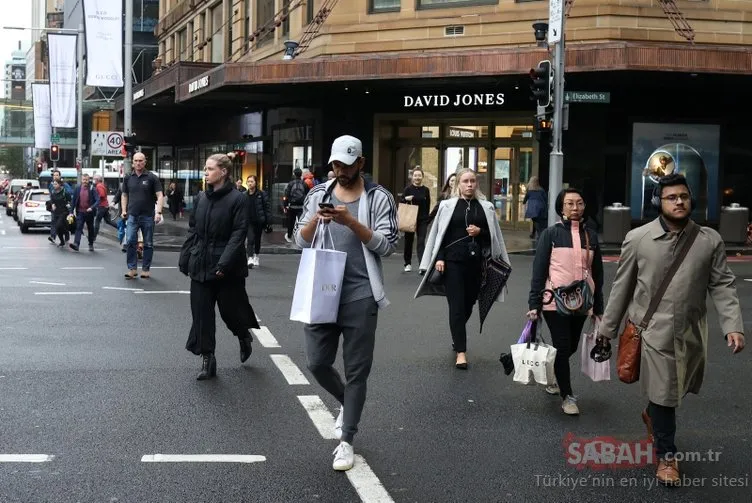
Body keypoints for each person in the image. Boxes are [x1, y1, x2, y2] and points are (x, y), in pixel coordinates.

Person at [598, 174, 744, 485]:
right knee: (666, 394)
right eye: (671, 197)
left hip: (691, 332)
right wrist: (606, 330)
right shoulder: (639, 238)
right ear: (657, 203)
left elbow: (722, 283)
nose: (679, 201)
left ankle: (653, 415)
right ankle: (667, 457)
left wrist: (733, 326)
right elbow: (621, 288)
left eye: (683, 196)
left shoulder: (709, 240)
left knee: (672, 392)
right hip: (651, 331)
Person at [294, 135, 398, 472]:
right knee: (316, 362)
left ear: (361, 164)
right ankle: (347, 403)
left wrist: (349, 221)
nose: (340, 170)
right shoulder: (318, 194)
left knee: (357, 372)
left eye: (347, 165)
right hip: (323, 291)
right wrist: (318, 219)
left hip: (360, 294)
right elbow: (299, 239)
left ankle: (347, 440)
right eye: (336, 164)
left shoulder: (379, 197)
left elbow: (387, 245)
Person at [416, 168, 509, 369]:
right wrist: (439, 258)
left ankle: (457, 333)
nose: (469, 185)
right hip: (452, 263)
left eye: (473, 181)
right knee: (457, 306)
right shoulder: (448, 206)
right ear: (458, 183)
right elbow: (441, 234)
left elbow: (493, 238)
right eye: (465, 181)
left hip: (477, 264)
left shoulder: (486, 207)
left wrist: (480, 231)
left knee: (468, 305)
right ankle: (461, 351)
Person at [180, 153, 259, 380]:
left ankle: (243, 335)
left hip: (227, 268)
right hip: (201, 264)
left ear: (223, 172)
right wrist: (185, 257)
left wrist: (224, 263)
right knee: (201, 314)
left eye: (209, 168)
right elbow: (193, 229)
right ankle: (208, 359)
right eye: (205, 168)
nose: (205, 172)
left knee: (231, 311)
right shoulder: (202, 198)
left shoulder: (238, 199)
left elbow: (238, 234)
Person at [526, 188, 604, 415]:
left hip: (582, 302)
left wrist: (598, 306)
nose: (575, 208)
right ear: (561, 207)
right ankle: (567, 396)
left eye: (579, 203)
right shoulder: (550, 234)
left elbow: (597, 274)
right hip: (553, 301)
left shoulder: (591, 235)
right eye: (569, 203)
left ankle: (552, 372)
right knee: (561, 344)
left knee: (569, 346)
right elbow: (538, 271)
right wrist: (534, 304)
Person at [121, 152, 164, 279]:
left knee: (148, 243)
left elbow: (160, 195)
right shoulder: (128, 177)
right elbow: (124, 195)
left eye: (141, 160)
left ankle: (146, 269)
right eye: (136, 160)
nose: (138, 163)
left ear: (145, 162)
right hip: (132, 215)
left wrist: (159, 212)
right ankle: (132, 269)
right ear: (133, 162)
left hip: (148, 216)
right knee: (130, 242)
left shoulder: (151, 177)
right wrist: (124, 210)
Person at [401, 168, 431, 273]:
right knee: (408, 241)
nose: (417, 177)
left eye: (419, 175)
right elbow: (402, 203)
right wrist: (406, 199)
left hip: (422, 219)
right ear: (412, 177)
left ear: (422, 177)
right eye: (415, 175)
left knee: (421, 242)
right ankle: (407, 263)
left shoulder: (426, 190)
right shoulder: (408, 189)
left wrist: (427, 218)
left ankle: (422, 265)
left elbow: (428, 204)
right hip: (410, 217)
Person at [69, 174, 100, 252]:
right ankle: (76, 244)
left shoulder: (92, 189)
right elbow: (73, 201)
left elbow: (98, 200)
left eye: (86, 180)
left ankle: (91, 244)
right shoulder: (77, 188)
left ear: (88, 180)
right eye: (83, 180)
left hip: (89, 212)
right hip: (80, 212)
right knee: (78, 227)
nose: (85, 181)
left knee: (90, 228)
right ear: (81, 180)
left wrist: (92, 207)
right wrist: (71, 212)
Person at [245, 175, 270, 268]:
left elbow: (266, 208)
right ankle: (250, 258)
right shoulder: (244, 195)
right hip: (249, 222)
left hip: (259, 221)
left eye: (252, 181)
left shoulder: (261, 194)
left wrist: (268, 221)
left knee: (257, 240)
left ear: (256, 183)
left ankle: (256, 256)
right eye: (248, 181)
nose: (250, 183)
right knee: (250, 239)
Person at [284, 168, 308, 243]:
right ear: (301, 174)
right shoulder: (304, 184)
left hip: (292, 206)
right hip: (301, 206)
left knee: (290, 222)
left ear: (294, 174)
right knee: (301, 222)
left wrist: (285, 205)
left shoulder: (291, 183)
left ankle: (289, 236)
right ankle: (300, 237)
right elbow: (307, 195)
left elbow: (286, 195)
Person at [523, 176, 547, 240]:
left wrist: (525, 204)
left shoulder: (529, 190)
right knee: (538, 222)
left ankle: (538, 235)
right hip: (541, 207)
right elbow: (545, 199)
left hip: (533, 208)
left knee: (535, 221)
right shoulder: (541, 190)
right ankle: (534, 234)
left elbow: (525, 199)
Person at [49, 179, 71, 247]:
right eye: (53, 184)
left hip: (64, 212)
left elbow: (70, 200)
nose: (54, 185)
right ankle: (62, 241)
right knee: (58, 227)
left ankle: (66, 233)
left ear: (59, 184)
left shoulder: (65, 192)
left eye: (55, 184)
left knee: (59, 225)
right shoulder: (53, 192)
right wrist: (52, 204)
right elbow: (52, 200)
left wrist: (69, 205)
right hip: (56, 212)